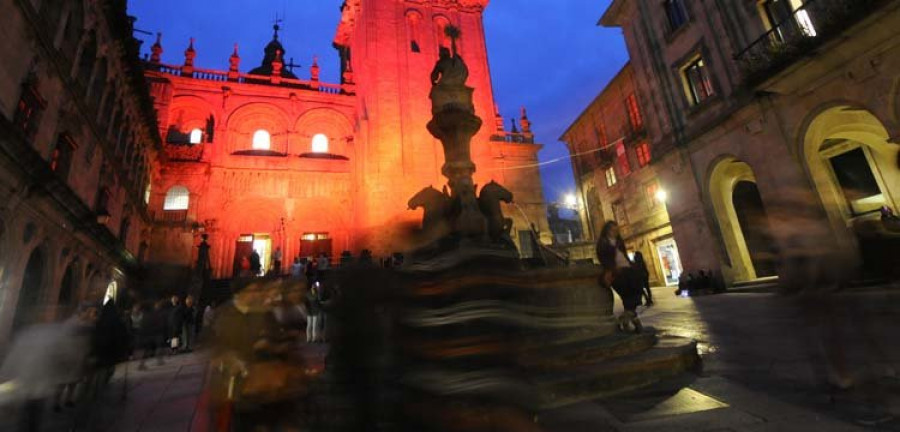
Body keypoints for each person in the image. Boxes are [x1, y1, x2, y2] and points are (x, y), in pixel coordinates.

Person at [596, 221, 642, 333]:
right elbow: (603, 257)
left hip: (627, 268)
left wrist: (631, 264)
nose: (615, 232)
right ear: (607, 230)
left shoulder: (619, 241)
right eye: (613, 230)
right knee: (626, 292)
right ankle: (630, 317)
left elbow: (624, 254)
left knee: (637, 289)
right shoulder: (603, 243)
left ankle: (628, 316)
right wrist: (612, 268)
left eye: (616, 230)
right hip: (616, 271)